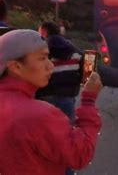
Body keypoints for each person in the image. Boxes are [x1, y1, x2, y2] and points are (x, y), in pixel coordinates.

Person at [0, 29, 103, 175]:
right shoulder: (39, 115)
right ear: (16, 67)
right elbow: (80, 154)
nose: (51, 65)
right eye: (42, 58)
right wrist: (88, 100)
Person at [36, 21, 82, 123]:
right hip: (67, 99)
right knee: (67, 133)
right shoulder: (75, 51)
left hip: (43, 99)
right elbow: (89, 69)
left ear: (43, 32)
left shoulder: (37, 52)